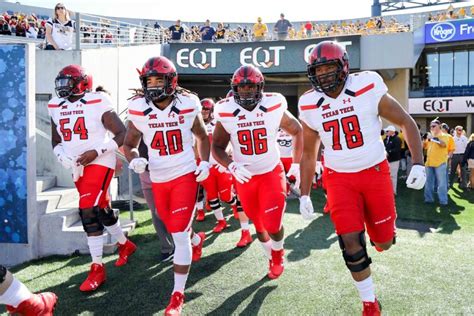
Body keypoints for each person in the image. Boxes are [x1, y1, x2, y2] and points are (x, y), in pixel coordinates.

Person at [298, 41, 425, 315]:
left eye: (329, 67)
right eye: (318, 70)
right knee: (350, 242)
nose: (324, 75)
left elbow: (405, 121)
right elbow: (309, 153)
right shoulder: (309, 103)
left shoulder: (367, 85)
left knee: (383, 243)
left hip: (374, 172)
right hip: (338, 177)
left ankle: (382, 233)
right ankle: (369, 302)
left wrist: (418, 163)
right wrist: (305, 192)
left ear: (343, 66)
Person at [123, 56, 209, 316]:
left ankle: (177, 295)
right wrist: (135, 158)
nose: (153, 85)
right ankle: (197, 238)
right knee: (172, 226)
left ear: (171, 81)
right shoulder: (138, 108)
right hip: (158, 177)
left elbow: (202, 136)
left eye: (158, 79)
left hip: (184, 173)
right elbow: (129, 144)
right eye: (148, 80)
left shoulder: (187, 104)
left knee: (178, 236)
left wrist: (204, 162)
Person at [48, 65, 137, 292]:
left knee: (87, 208)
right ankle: (125, 245)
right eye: (61, 83)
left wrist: (96, 152)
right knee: (101, 207)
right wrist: (63, 157)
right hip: (78, 165)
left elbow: (122, 134)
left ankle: (97, 267)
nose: (63, 87)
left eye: (68, 82)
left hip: (100, 160)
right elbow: (56, 141)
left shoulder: (97, 101)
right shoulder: (55, 105)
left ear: (83, 82)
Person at [212, 65, 303, 279]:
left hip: (271, 172)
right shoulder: (225, 110)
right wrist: (231, 165)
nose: (245, 91)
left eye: (250, 87)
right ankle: (270, 256)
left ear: (260, 87)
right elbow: (216, 146)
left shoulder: (273, 104)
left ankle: (278, 252)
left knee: (272, 223)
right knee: (257, 221)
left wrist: (296, 165)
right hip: (244, 176)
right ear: (234, 88)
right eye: (241, 87)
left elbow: (297, 130)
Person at [200, 98, 253, 247]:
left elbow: (228, 145)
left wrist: (227, 161)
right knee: (211, 196)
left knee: (226, 195)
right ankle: (221, 221)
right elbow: (197, 146)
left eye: (206, 109)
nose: (204, 112)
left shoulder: (219, 123)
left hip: (224, 166)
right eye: (202, 109)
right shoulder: (197, 125)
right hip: (209, 166)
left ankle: (236, 206)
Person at [137, 140, 175, 262]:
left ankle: (183, 241)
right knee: (155, 212)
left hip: (164, 176)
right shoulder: (134, 127)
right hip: (146, 178)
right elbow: (126, 146)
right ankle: (166, 247)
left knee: (166, 211)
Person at [424, 120, 450, 205]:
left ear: (439, 126)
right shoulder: (430, 136)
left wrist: (433, 138)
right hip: (429, 162)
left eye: (434, 126)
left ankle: (443, 201)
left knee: (442, 183)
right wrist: (424, 139)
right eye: (431, 126)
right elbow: (425, 147)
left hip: (440, 163)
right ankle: (428, 199)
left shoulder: (445, 135)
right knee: (428, 182)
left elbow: (443, 144)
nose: (432, 128)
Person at [383, 125, 402, 194]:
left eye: (387, 131)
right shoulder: (386, 139)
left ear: (392, 131)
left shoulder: (397, 139)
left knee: (393, 176)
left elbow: (397, 149)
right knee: (386, 176)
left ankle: (393, 191)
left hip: (394, 160)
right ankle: (387, 190)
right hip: (386, 160)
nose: (386, 132)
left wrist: (389, 152)